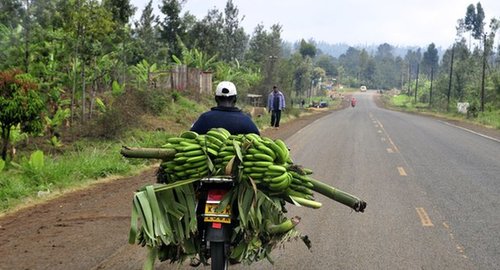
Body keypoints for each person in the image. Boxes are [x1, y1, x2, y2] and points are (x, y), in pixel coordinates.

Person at [190, 81, 260, 135]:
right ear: (235, 99)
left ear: (216, 98)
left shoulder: (205, 119)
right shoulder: (246, 121)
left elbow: (191, 137)